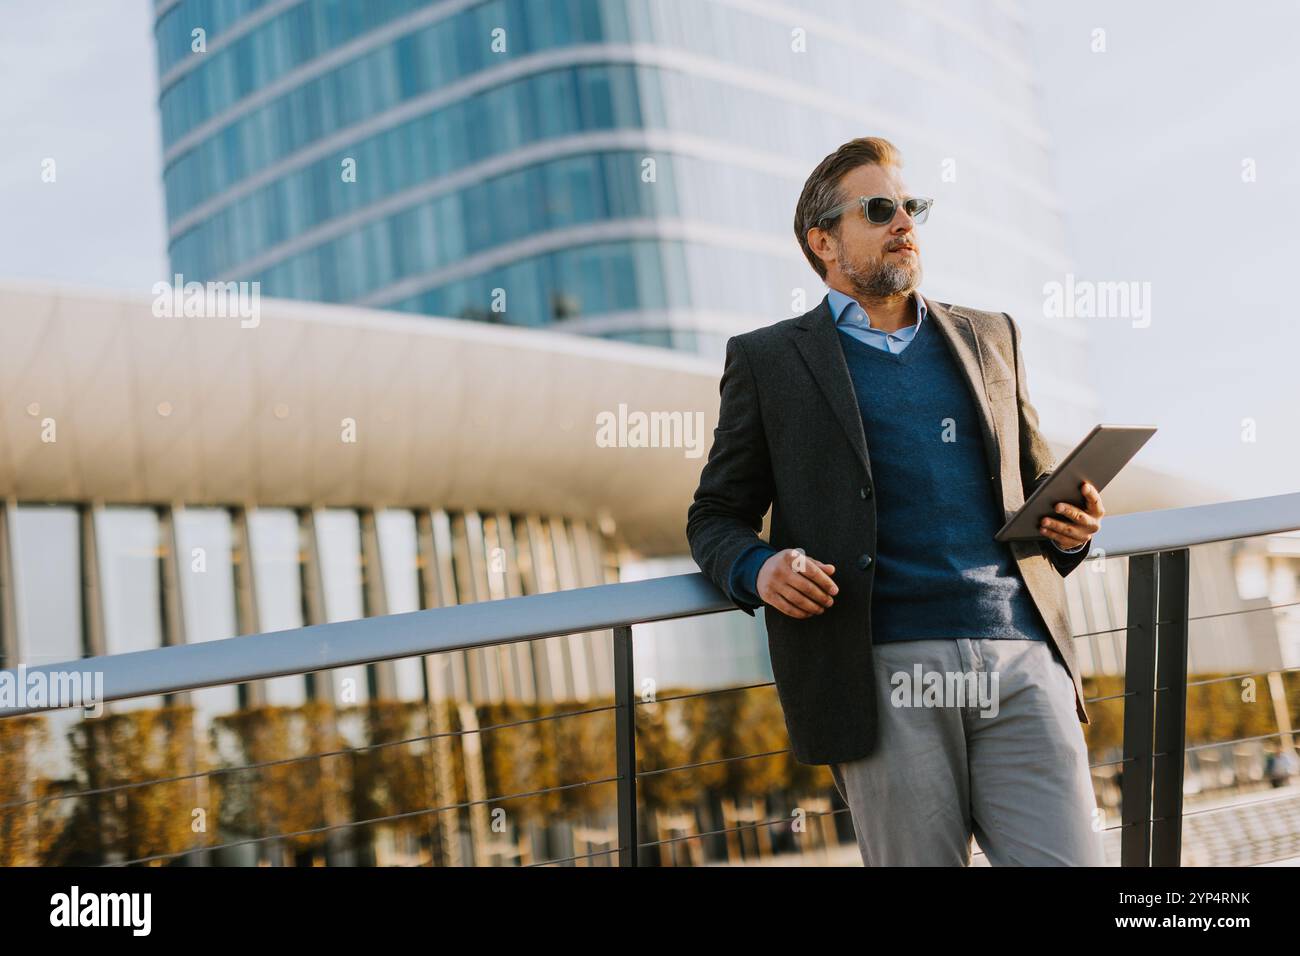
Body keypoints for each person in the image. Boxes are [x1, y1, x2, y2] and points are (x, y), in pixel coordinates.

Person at [686, 136, 1105, 865]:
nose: (904, 222)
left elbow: (1036, 488)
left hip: (1023, 658)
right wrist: (759, 569)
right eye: (879, 210)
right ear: (823, 242)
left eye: (912, 206)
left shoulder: (991, 336)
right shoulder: (767, 360)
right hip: (882, 675)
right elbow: (715, 516)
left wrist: (1071, 527)